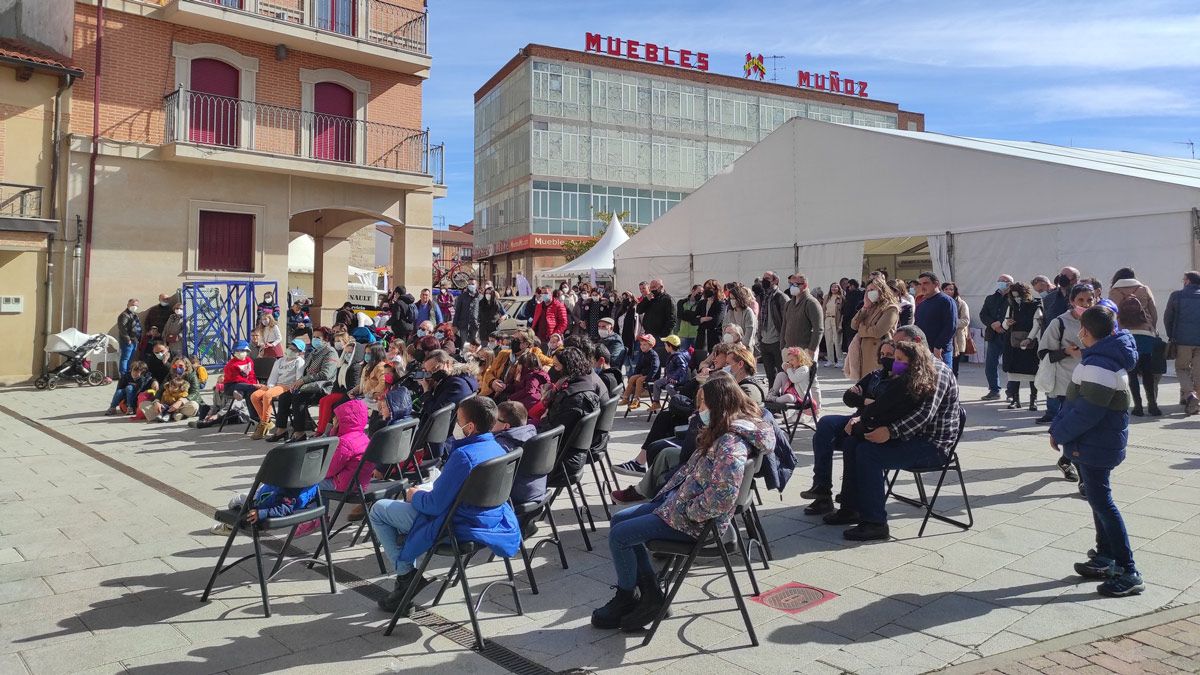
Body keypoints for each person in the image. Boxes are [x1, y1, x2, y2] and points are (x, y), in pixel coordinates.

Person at [591, 375, 774, 631]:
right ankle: (650, 594)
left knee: (621, 535)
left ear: (718, 405)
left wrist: (688, 510)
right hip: (680, 503)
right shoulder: (726, 429)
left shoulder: (731, 443)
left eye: (703, 404)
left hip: (695, 521)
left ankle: (627, 596)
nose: (700, 410)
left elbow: (722, 496)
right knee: (620, 519)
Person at [370, 396, 521, 613]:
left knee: (379, 510)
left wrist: (414, 496)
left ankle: (406, 577)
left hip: (456, 524)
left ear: (470, 427)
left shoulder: (463, 455)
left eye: (458, 421)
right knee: (400, 517)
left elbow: (433, 505)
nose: (455, 426)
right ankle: (405, 577)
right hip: (488, 520)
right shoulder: (498, 448)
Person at [1050, 306, 1144, 597]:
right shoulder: (1104, 357)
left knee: (1102, 501)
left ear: (1085, 333)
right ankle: (1106, 557)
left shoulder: (1099, 365)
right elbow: (1077, 404)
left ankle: (1128, 570)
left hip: (1095, 442)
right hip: (1097, 441)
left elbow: (1086, 412)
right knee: (1096, 497)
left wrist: (1059, 432)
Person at [843, 339, 960, 541]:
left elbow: (924, 416)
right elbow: (889, 406)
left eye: (898, 357)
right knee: (854, 442)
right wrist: (864, 420)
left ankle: (875, 522)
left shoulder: (936, 373)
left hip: (932, 445)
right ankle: (851, 507)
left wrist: (890, 432)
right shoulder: (908, 376)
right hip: (913, 437)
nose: (893, 362)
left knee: (868, 453)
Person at [801, 340, 898, 516]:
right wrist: (866, 401)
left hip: (872, 424)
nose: (885, 358)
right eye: (882, 355)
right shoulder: (875, 375)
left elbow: (886, 406)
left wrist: (865, 403)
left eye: (890, 355)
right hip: (855, 419)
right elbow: (848, 397)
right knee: (824, 425)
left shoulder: (898, 382)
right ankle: (822, 488)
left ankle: (848, 499)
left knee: (849, 442)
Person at [537, 347, 603, 480]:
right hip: (571, 455)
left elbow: (554, 431)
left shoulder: (573, 397)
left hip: (562, 462)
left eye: (556, 366)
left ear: (567, 368)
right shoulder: (586, 385)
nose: (553, 370)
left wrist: (544, 418)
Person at [266, 332, 339, 442]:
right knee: (284, 397)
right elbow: (305, 371)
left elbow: (326, 374)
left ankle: (299, 432)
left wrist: (303, 381)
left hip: (323, 387)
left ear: (326, 340)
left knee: (298, 398)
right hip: (309, 386)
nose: (314, 339)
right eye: (313, 337)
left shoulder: (330, 353)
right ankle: (281, 430)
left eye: (318, 337)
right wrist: (299, 382)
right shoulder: (314, 352)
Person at [417, 349, 480, 460]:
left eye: (435, 369)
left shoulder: (456, 384)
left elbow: (435, 413)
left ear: (447, 363)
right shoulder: (461, 377)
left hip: (442, 434)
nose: (432, 374)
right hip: (448, 428)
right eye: (429, 372)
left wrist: (427, 391)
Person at [248, 338, 307, 439]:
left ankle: (264, 423)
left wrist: (291, 388)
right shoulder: (280, 361)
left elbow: (298, 378)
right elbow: (273, 376)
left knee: (268, 395)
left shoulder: (299, 361)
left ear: (299, 352)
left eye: (294, 350)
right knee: (254, 396)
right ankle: (267, 421)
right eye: (290, 348)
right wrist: (270, 386)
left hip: (287, 386)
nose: (290, 350)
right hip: (275, 385)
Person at [845, 278, 900, 381]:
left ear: (881, 290)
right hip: (863, 352)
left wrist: (861, 331)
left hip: (879, 352)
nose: (870, 293)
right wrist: (865, 308)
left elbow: (877, 331)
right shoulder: (869, 307)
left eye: (873, 290)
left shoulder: (891, 308)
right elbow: (853, 325)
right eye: (868, 290)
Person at [318, 398, 373, 496]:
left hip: (345, 484)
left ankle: (319, 511)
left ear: (342, 420)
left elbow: (329, 470)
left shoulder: (345, 442)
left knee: (312, 485)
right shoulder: (364, 437)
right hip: (361, 483)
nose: (333, 419)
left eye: (335, 417)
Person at [493, 401, 544, 504]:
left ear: (506, 426)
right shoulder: (533, 435)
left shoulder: (503, 445)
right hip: (537, 492)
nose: (491, 422)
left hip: (516, 498)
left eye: (494, 420)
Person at [312, 334, 364, 436]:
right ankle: (321, 427)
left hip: (348, 393)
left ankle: (321, 430)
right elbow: (337, 382)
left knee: (327, 401)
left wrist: (342, 396)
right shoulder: (342, 364)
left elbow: (353, 386)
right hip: (340, 391)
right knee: (323, 400)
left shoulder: (355, 367)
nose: (347, 354)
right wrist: (333, 393)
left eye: (350, 353)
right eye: (346, 352)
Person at [1164, 271, 1200, 414]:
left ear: (1188, 281)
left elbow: (1168, 318)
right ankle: (1195, 402)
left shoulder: (1176, 296)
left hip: (1182, 340)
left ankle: (1190, 395)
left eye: (1184, 279)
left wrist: (1171, 335)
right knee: (1198, 372)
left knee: (1182, 368)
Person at [1003, 282, 1042, 411]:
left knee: (1032, 372)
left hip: (1030, 343)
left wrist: (1029, 338)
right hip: (1013, 343)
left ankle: (1033, 400)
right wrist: (1007, 323)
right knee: (1014, 372)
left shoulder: (1035, 305)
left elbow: (1037, 325)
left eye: (1019, 296)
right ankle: (1015, 399)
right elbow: (1004, 324)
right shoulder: (1011, 306)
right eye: (1014, 296)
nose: (1016, 299)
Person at [980, 275, 1014, 400]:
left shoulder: (1014, 298)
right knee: (990, 364)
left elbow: (1014, 313)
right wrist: (993, 324)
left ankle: (1012, 392)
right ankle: (994, 390)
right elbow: (983, 314)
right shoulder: (991, 298)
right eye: (1000, 281)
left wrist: (1001, 323)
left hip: (1009, 335)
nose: (1002, 283)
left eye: (1005, 281)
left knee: (1011, 364)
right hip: (993, 335)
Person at [914, 272, 958, 369]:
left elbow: (951, 326)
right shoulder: (922, 304)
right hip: (924, 350)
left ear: (936, 284)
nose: (922, 287)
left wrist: (938, 346)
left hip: (941, 351)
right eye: (920, 284)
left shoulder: (946, 301)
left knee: (942, 380)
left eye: (926, 283)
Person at [140, 357, 203, 422]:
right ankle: (174, 415)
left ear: (186, 367)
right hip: (167, 404)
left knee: (194, 406)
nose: (177, 368)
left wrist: (181, 401)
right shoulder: (170, 375)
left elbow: (195, 392)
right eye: (175, 366)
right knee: (143, 404)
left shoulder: (191, 376)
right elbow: (161, 390)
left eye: (181, 366)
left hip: (182, 404)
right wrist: (157, 401)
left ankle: (167, 414)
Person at [757, 271, 788, 386]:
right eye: (763, 278)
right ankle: (772, 393)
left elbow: (787, 319)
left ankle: (783, 394)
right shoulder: (763, 296)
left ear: (775, 281)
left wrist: (784, 339)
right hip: (764, 340)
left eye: (768, 278)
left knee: (782, 372)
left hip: (777, 340)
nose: (764, 280)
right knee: (769, 374)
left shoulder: (781, 297)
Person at [649, 335, 690, 412]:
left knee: (669, 387)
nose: (665, 347)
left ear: (670, 346)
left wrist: (675, 378)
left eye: (665, 345)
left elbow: (682, 369)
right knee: (656, 383)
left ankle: (678, 402)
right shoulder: (672, 355)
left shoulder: (678, 357)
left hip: (678, 379)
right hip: (669, 377)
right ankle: (656, 402)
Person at [638, 280, 676, 363]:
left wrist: (663, 335)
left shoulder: (668, 299)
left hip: (661, 337)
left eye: (654, 287)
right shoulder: (650, 298)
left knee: (663, 360)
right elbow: (639, 310)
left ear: (661, 287)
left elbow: (672, 320)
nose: (652, 289)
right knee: (652, 361)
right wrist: (646, 300)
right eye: (651, 287)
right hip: (649, 335)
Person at [621, 335, 660, 410]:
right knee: (632, 378)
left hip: (652, 376)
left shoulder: (653, 355)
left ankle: (637, 400)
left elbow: (655, 367)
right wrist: (635, 374)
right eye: (641, 344)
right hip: (644, 374)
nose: (642, 346)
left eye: (645, 344)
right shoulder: (642, 354)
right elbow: (638, 366)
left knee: (639, 380)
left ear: (651, 345)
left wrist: (649, 377)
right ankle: (625, 398)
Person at [942, 282, 970, 377]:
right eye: (946, 289)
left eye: (951, 289)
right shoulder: (940, 302)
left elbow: (965, 321)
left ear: (955, 291)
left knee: (954, 368)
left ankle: (953, 387)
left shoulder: (961, 303)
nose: (948, 291)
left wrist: (951, 323)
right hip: (942, 338)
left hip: (956, 340)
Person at [692, 279, 725, 353]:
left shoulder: (720, 304)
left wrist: (700, 321)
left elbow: (715, 322)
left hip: (715, 339)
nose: (706, 290)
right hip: (701, 339)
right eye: (705, 288)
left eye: (709, 288)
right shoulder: (701, 303)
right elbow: (693, 320)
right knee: (699, 360)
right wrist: (703, 319)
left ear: (715, 289)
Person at [723, 284, 758, 352]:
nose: (732, 301)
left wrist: (741, 346)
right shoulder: (730, 312)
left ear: (740, 298)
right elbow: (724, 328)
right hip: (731, 348)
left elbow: (749, 333)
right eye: (730, 298)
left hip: (745, 350)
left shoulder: (748, 312)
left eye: (734, 298)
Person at [116, 299, 143, 377]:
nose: (134, 307)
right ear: (128, 304)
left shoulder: (134, 314)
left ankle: (128, 373)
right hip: (128, 341)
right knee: (125, 358)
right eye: (133, 305)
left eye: (136, 305)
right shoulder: (124, 315)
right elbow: (122, 328)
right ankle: (123, 374)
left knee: (131, 358)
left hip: (135, 340)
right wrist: (127, 339)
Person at [453, 279, 481, 346]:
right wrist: (454, 325)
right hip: (463, 325)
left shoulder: (480, 297)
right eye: (469, 284)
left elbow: (483, 312)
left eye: (473, 284)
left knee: (475, 344)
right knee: (465, 345)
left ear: (476, 285)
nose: (471, 286)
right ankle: (464, 356)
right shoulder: (462, 297)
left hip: (475, 326)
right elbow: (457, 312)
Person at [841, 279, 865, 354]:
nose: (847, 288)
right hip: (854, 320)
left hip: (851, 320)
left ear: (852, 286)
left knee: (851, 341)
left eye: (849, 286)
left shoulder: (854, 295)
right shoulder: (859, 294)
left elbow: (850, 308)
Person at [675, 285, 702, 352]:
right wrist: (694, 316)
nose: (700, 295)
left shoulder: (701, 304)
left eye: (702, 293)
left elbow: (700, 317)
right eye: (699, 292)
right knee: (682, 356)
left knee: (696, 356)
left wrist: (686, 313)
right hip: (683, 334)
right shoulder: (681, 302)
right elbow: (680, 316)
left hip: (696, 335)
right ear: (693, 290)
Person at [822, 283, 843, 367]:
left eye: (836, 287)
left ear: (839, 288)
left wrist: (840, 323)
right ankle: (831, 360)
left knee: (837, 341)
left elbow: (842, 312)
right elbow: (823, 309)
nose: (834, 288)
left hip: (836, 320)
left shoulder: (841, 298)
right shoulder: (827, 297)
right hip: (828, 319)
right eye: (832, 287)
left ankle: (840, 360)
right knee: (828, 340)